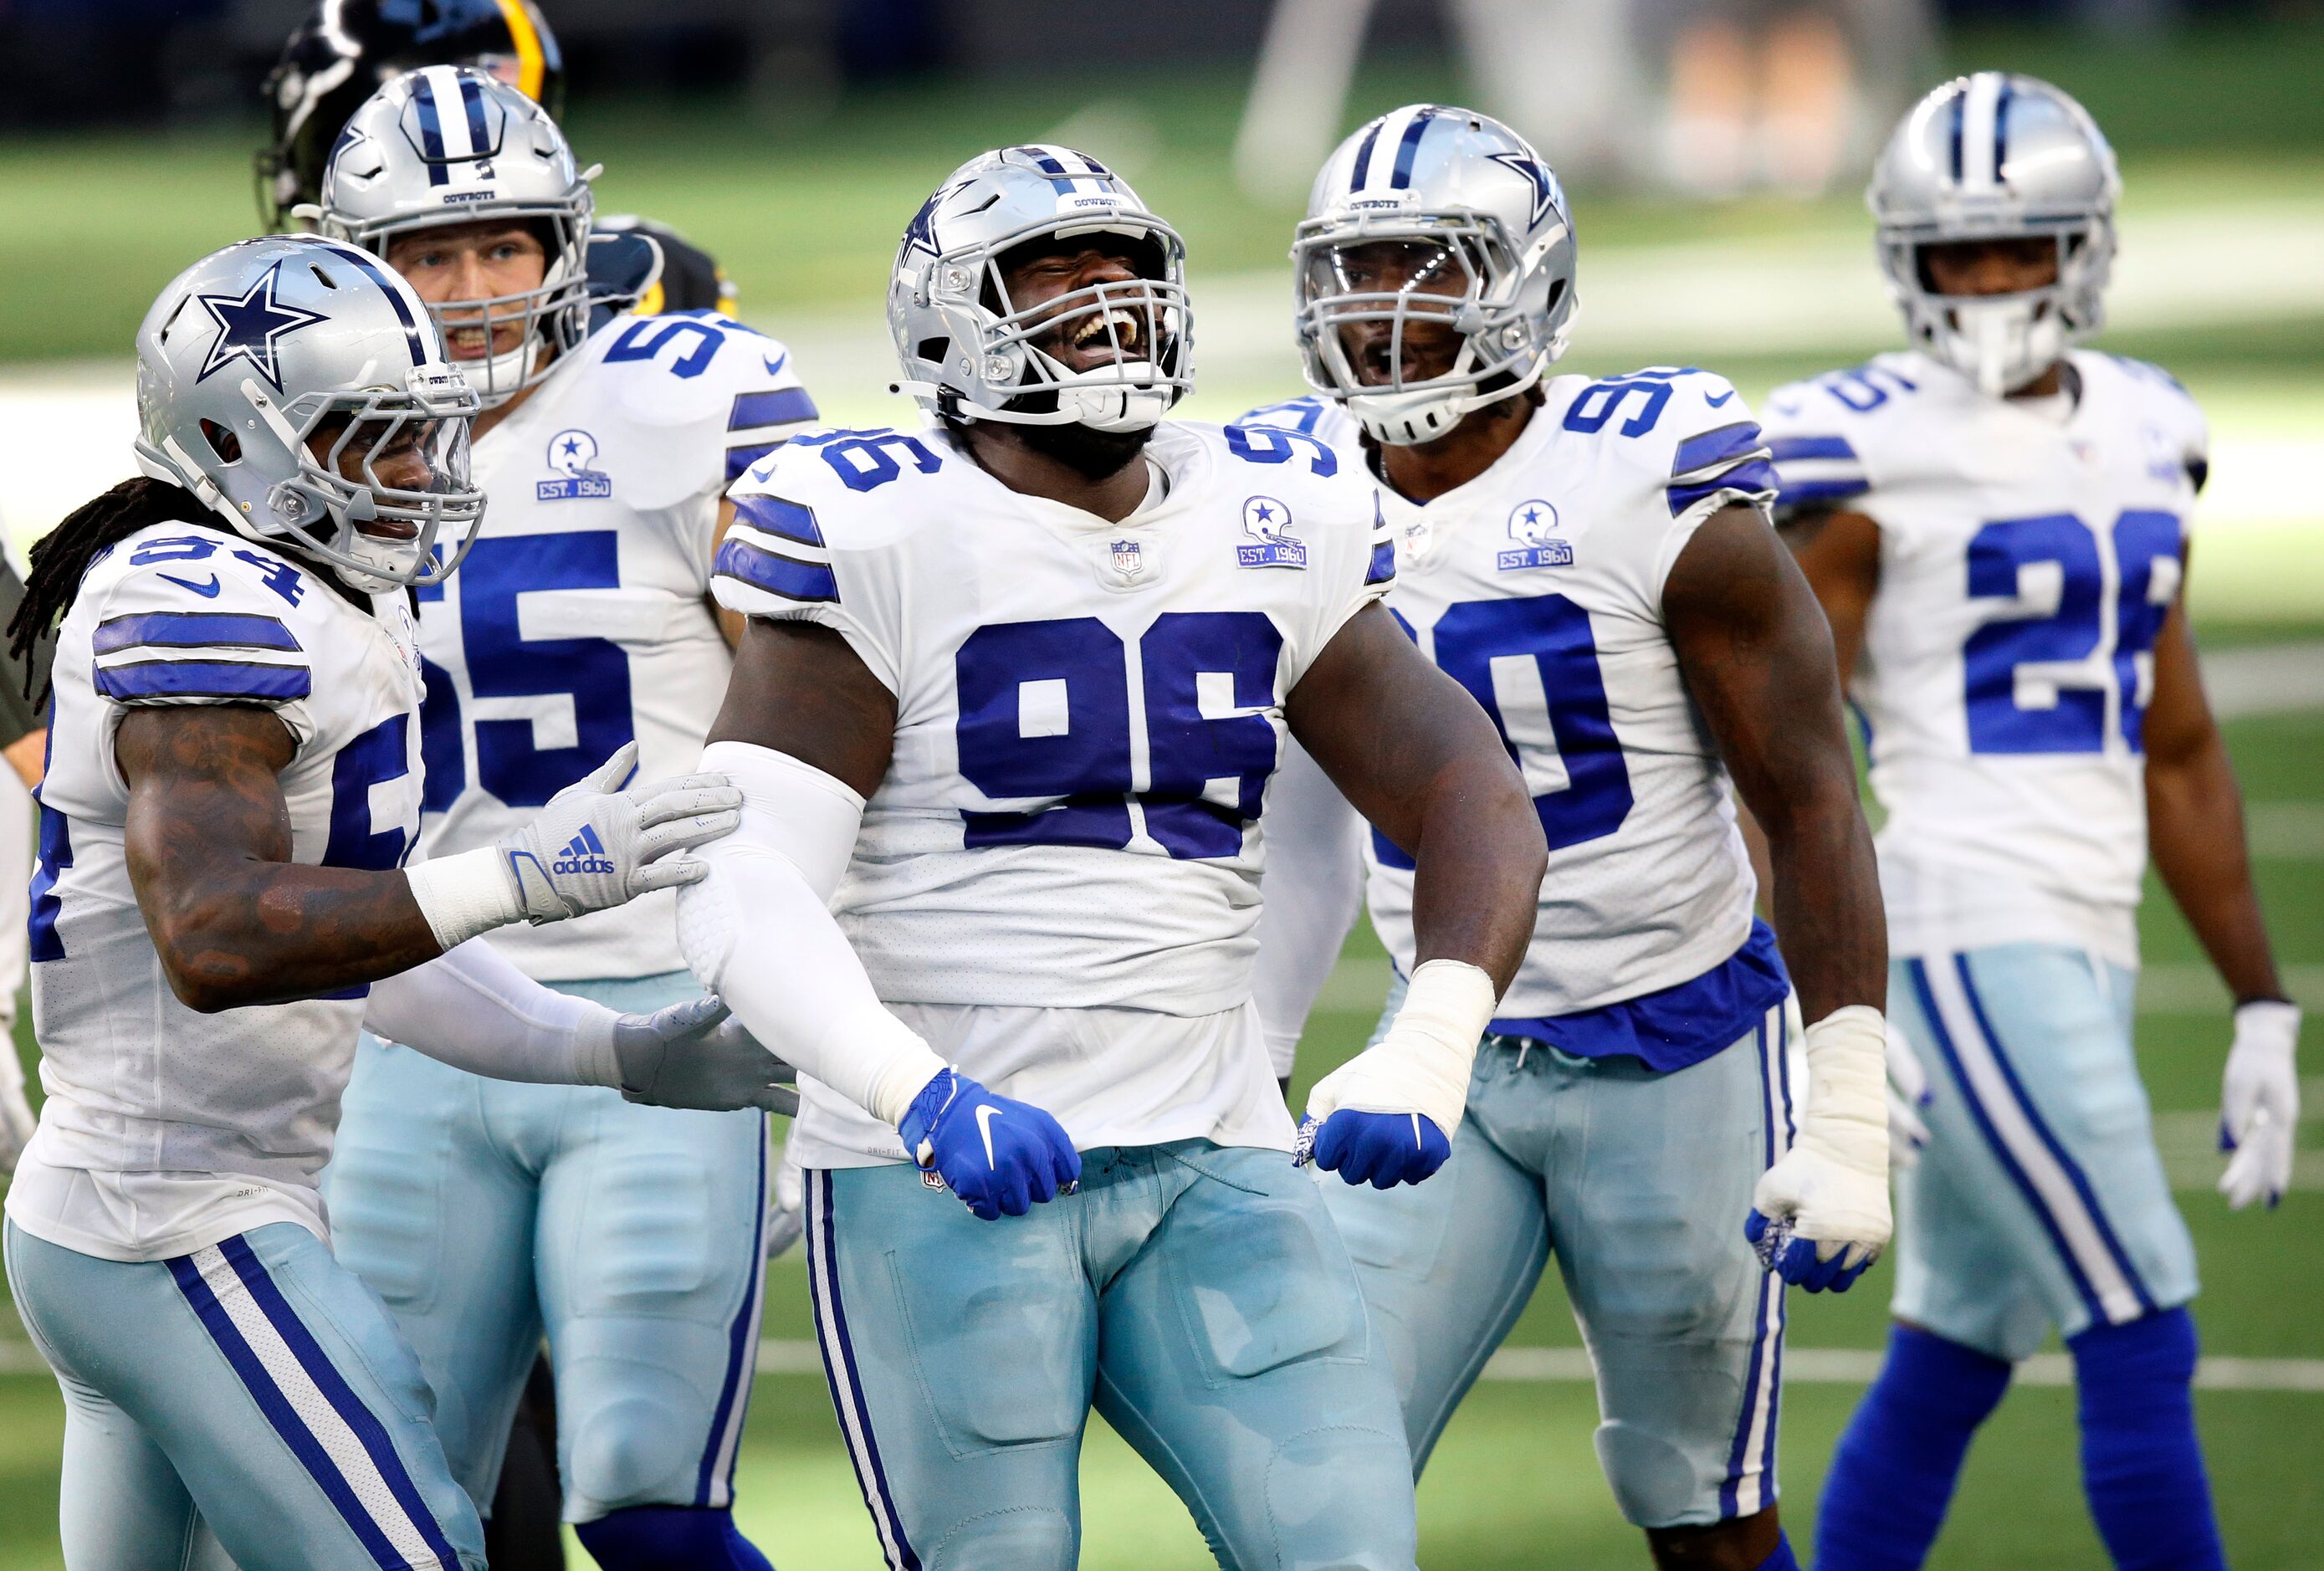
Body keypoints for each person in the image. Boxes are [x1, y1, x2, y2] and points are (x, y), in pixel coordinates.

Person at [677, 142, 1548, 1568]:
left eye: (1126, 268)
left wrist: (1430, 1038)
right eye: (1051, 273)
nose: (1104, 303)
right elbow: (733, 878)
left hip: (1211, 1151)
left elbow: (1467, 790)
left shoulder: (1271, 505)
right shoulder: (874, 525)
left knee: (1352, 1551)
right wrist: (916, 1091)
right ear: (949, 320)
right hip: (943, 1172)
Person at [0, 233, 790, 1571]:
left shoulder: (318, 596)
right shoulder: (200, 599)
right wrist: (522, 876)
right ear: (239, 441)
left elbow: (350, 947)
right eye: (378, 440)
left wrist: (612, 1051)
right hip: (170, 1224)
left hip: (175, 1210)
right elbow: (219, 933)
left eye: (429, 436)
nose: (427, 474)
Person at [1241, 105, 1892, 1571]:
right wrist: (1244, 1067)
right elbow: (1296, 830)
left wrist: (1848, 1099)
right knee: (1309, 1473)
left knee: (1700, 1510)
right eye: (1356, 270)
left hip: (1682, 1042)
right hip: (1446, 1053)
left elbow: (1805, 790)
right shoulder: (1280, 491)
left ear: (1523, 280)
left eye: (1427, 266)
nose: (1384, 309)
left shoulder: (1649, 472)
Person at [1764, 74, 2299, 1571]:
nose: (1994, 282)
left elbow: (2176, 745)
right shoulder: (1854, 445)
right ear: (1904, 259)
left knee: (1953, 1354)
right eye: (1960, 254)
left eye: (2023, 248)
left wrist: (2259, 999)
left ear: (2086, 249)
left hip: (2080, 931)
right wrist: (1810, 1018)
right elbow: (1774, 754)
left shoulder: (2148, 427)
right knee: (2141, 1324)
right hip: (1955, 920)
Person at [306, 67, 816, 1570]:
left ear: (566, 247)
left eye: (503, 248)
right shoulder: (305, 436)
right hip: (416, 1020)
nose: (469, 292)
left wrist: (818, 998)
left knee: (645, 1499)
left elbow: (820, 732)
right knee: (384, 1513)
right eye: (427, 254)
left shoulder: (693, 394)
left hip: (664, 1008)